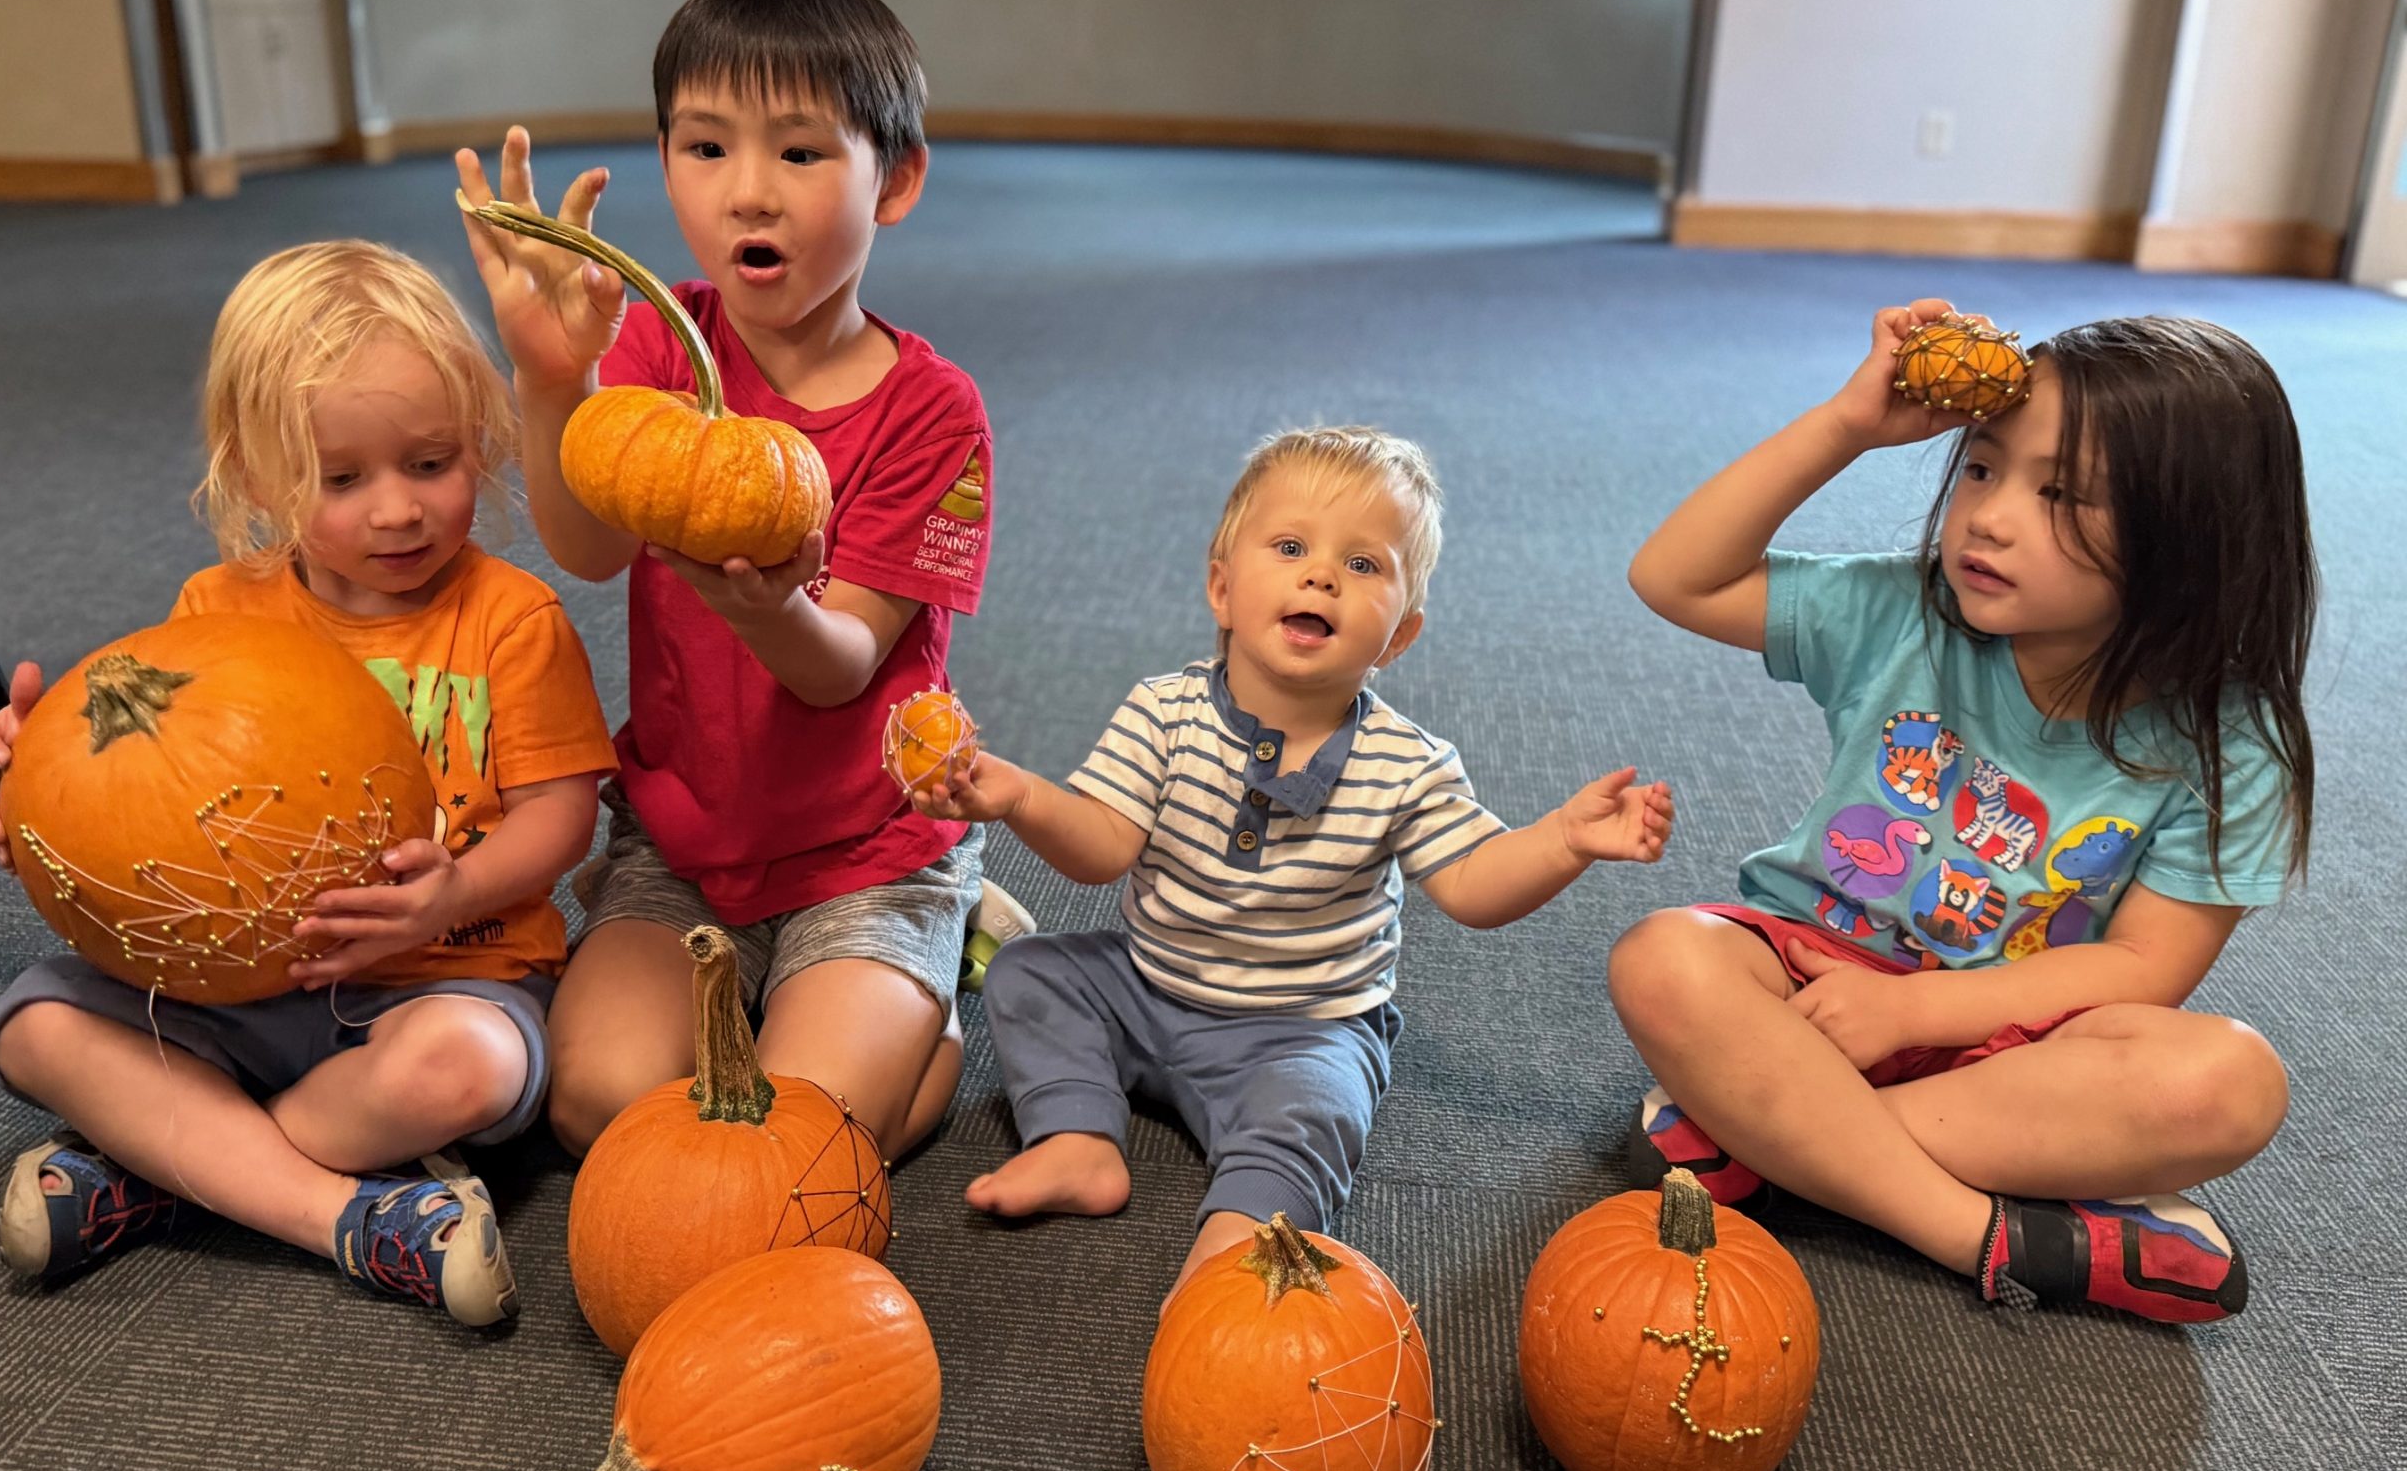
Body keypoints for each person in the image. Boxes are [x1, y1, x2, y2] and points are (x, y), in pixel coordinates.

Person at [0, 241, 616, 1327]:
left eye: (431, 463)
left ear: (480, 443)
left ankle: (173, 1167)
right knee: (35, 1032)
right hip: (235, 996)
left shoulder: (510, 620)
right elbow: (132, 798)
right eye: (341, 480)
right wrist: (21, 769)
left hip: (444, 978)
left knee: (469, 1070)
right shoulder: (216, 611)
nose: (396, 511)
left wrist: (451, 891)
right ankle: (340, 1213)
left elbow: (563, 817)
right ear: (258, 478)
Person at [1612, 301, 2315, 1323]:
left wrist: (1910, 1014)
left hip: (2013, 1045)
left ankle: (1766, 1142)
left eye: (2060, 493)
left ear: (2193, 540)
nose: (1988, 516)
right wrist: (1846, 426)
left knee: (2232, 1081)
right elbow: (1673, 577)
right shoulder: (1908, 615)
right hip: (1808, 985)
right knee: (1664, 958)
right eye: (1982, 469)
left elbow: (2142, 968)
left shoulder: (2232, 740)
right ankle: (1980, 1231)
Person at [455, 0, 1006, 1164]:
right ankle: (828, 1004)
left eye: (800, 153)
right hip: (685, 843)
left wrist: (759, 608)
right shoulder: (658, 343)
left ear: (894, 179)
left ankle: (940, 973)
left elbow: (840, 664)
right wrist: (552, 378)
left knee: (807, 1140)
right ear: (666, 164)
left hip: (866, 850)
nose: (749, 192)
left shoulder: (934, 412)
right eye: (706, 148)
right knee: (598, 1106)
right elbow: (589, 546)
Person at [911, 426, 1674, 1290]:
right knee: (1030, 973)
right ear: (1221, 589)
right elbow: (1101, 846)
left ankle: (1241, 1236)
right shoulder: (1163, 713)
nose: (1321, 576)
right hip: (1148, 984)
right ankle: (1077, 1139)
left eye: (1363, 564)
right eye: (1289, 548)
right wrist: (1022, 797)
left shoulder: (1405, 763)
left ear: (1400, 635)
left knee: (1318, 1105)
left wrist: (1563, 840)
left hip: (1303, 1026)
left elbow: (1474, 884)